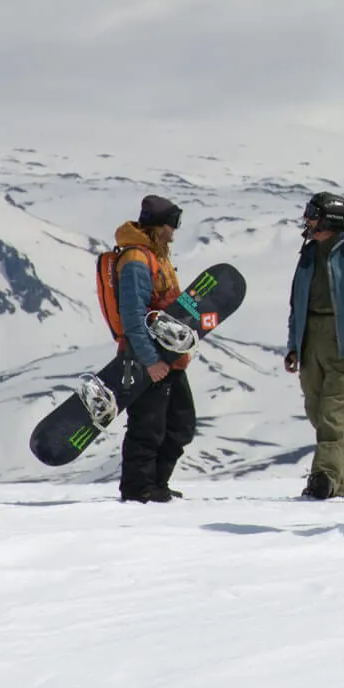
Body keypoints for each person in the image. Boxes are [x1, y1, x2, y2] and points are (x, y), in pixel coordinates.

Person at [284, 191, 344, 500]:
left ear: (328, 218)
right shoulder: (308, 253)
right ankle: (341, 487)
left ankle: (322, 480)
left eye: (312, 213)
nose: (306, 219)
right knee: (317, 412)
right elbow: (296, 303)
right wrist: (293, 345)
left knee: (334, 416)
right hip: (310, 337)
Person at [110, 194, 195, 504]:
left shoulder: (156, 256)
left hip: (169, 358)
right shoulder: (136, 259)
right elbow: (132, 316)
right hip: (146, 359)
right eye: (172, 226)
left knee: (180, 425)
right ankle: (138, 488)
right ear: (160, 227)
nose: (174, 232)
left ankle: (156, 482)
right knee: (147, 427)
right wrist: (150, 361)